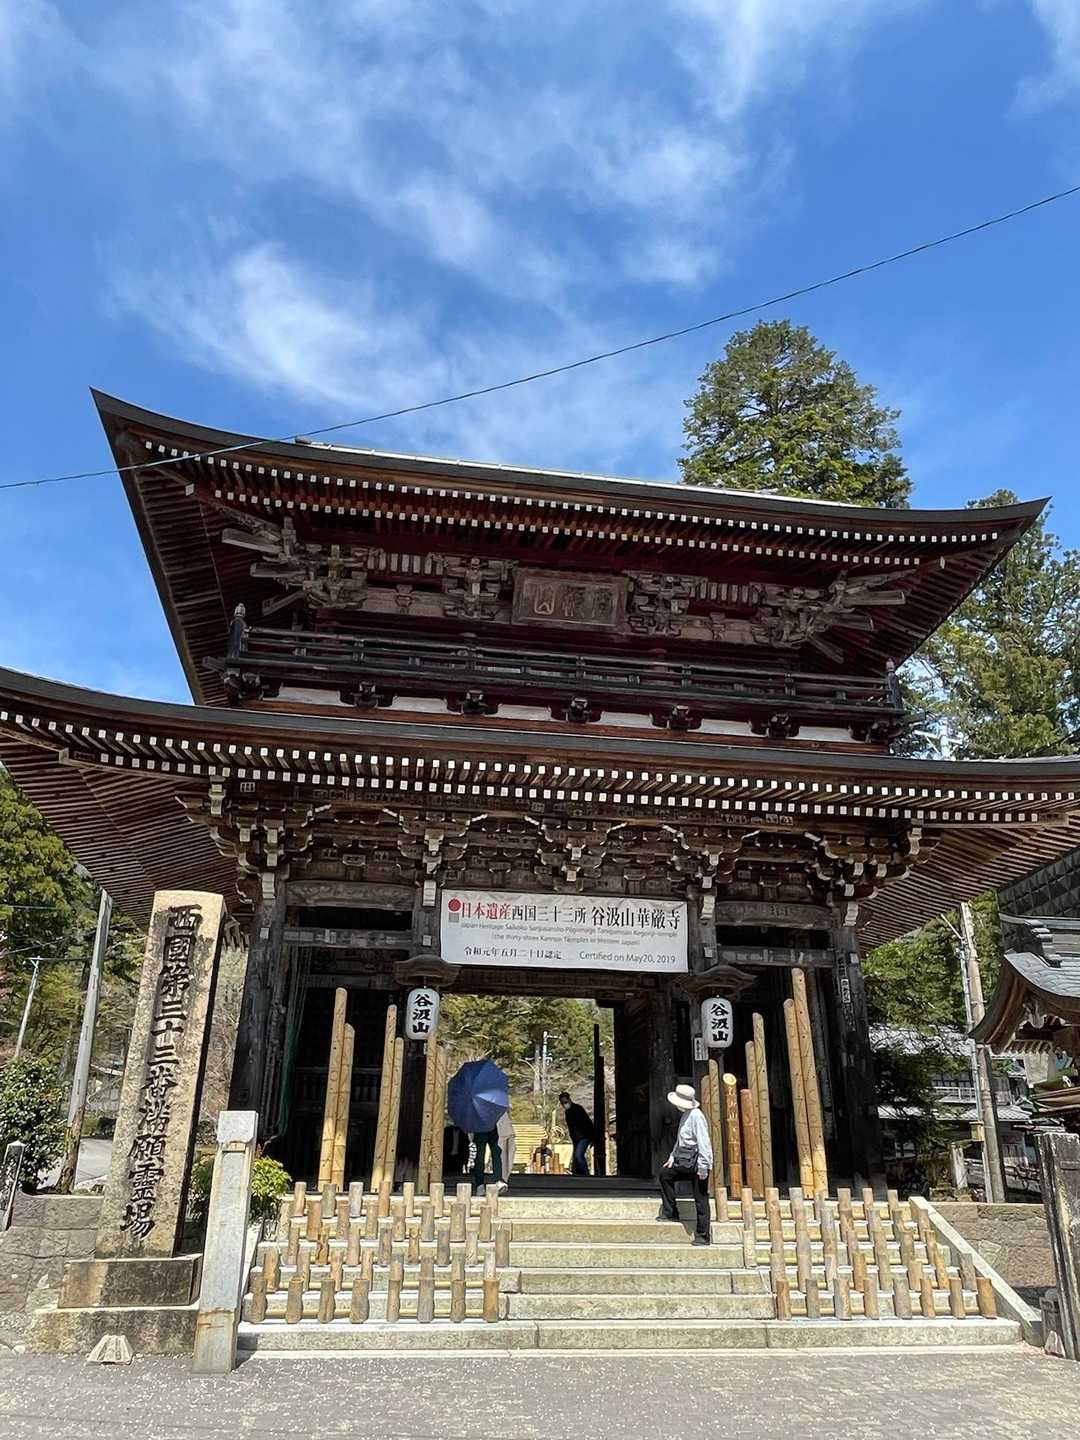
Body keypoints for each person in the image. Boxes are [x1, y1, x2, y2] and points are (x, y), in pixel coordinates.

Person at [657, 1082, 713, 1245]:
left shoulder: (696, 1116)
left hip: (697, 1162)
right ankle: (671, 1211)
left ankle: (703, 1235)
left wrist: (703, 1166)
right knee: (665, 1174)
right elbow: (680, 1141)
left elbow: (704, 1143)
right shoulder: (686, 1115)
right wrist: (672, 1157)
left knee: (700, 1198)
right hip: (683, 1159)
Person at [558, 1091, 596, 1176]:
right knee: (576, 1156)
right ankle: (578, 1173)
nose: (564, 1104)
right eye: (562, 1103)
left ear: (569, 1100)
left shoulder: (578, 1109)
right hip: (576, 1138)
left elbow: (588, 1123)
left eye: (565, 1102)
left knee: (578, 1155)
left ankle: (586, 1174)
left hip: (584, 1136)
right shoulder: (567, 1112)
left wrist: (592, 1136)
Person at [471, 1125, 502, 1191]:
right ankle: (480, 1184)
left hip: (488, 1127)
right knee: (481, 1156)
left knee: (496, 1153)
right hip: (482, 1127)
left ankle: (497, 1180)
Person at [496, 1109, 515, 1192]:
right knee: (501, 1156)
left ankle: (502, 1179)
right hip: (499, 1130)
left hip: (506, 1131)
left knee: (506, 1155)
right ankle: (500, 1179)